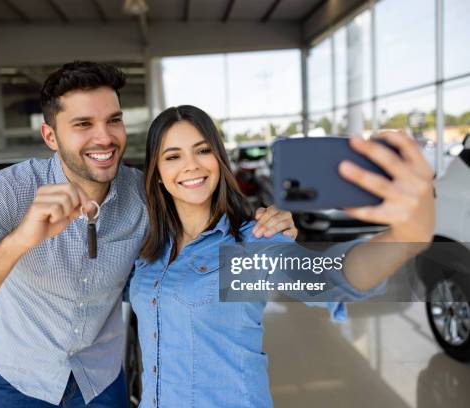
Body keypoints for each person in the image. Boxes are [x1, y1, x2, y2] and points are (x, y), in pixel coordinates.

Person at [0, 62, 296, 408]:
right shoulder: (7, 193)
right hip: (25, 384)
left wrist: (265, 225)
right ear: (50, 136)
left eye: (113, 120)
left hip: (103, 384)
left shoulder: (144, 196)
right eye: (83, 125)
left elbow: (196, 238)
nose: (105, 138)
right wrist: (19, 240)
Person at [129, 105, 434, 407]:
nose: (191, 165)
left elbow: (327, 277)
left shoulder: (251, 243)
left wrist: (405, 238)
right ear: (157, 174)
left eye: (203, 151)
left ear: (219, 160)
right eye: (173, 156)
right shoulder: (147, 251)